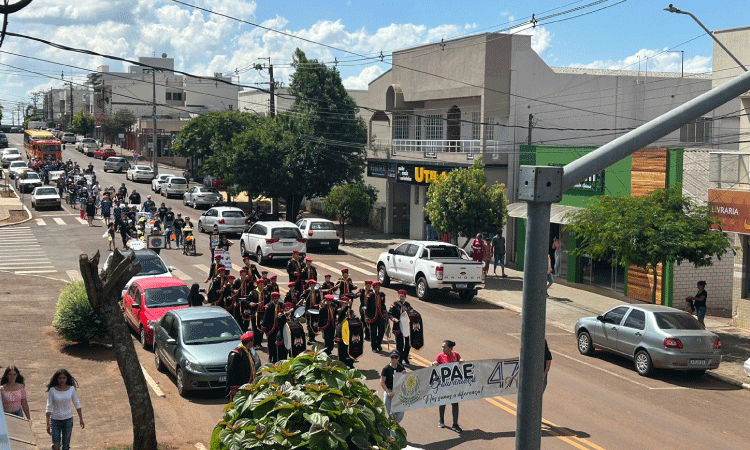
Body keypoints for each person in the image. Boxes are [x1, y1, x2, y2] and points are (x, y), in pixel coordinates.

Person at [45, 369, 84, 450]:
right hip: (55, 419)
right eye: (60, 378)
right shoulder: (52, 390)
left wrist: (81, 419)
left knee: (66, 444)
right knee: (56, 444)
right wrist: (47, 423)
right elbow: (49, 406)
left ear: (67, 379)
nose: (62, 380)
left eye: (64, 378)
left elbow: (77, 403)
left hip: (68, 419)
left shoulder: (71, 389)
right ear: (56, 379)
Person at [432, 340, 463, 433]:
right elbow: (435, 363)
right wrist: (434, 364)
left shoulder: (456, 355)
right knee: (443, 401)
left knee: (455, 403)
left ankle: (455, 424)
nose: (442, 349)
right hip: (443, 384)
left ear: (450, 348)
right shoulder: (440, 356)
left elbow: (460, 363)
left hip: (453, 384)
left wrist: (462, 362)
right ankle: (441, 420)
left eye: (444, 347)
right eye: (442, 347)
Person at [225, 332, 261, 399]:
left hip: (247, 385)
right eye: (252, 341)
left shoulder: (247, 351)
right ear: (249, 342)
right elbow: (231, 372)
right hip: (239, 387)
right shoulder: (236, 354)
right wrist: (233, 388)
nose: (253, 343)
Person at [380, 351, 406, 423]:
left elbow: (404, 382)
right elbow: (382, 382)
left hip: (398, 392)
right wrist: (388, 392)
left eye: (396, 357)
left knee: (400, 414)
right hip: (389, 391)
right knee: (391, 414)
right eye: (392, 357)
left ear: (398, 358)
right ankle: (392, 429)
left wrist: (405, 375)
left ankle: (393, 426)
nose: (394, 359)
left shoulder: (401, 368)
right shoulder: (386, 369)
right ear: (390, 358)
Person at [389, 290, 412, 364]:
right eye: (400, 296)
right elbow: (389, 314)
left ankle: (405, 357)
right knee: (400, 344)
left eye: (403, 296)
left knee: (408, 344)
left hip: (406, 326)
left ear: (405, 297)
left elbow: (412, 312)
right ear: (398, 296)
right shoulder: (394, 304)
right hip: (398, 326)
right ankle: (400, 359)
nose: (401, 297)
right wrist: (393, 318)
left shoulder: (407, 305)